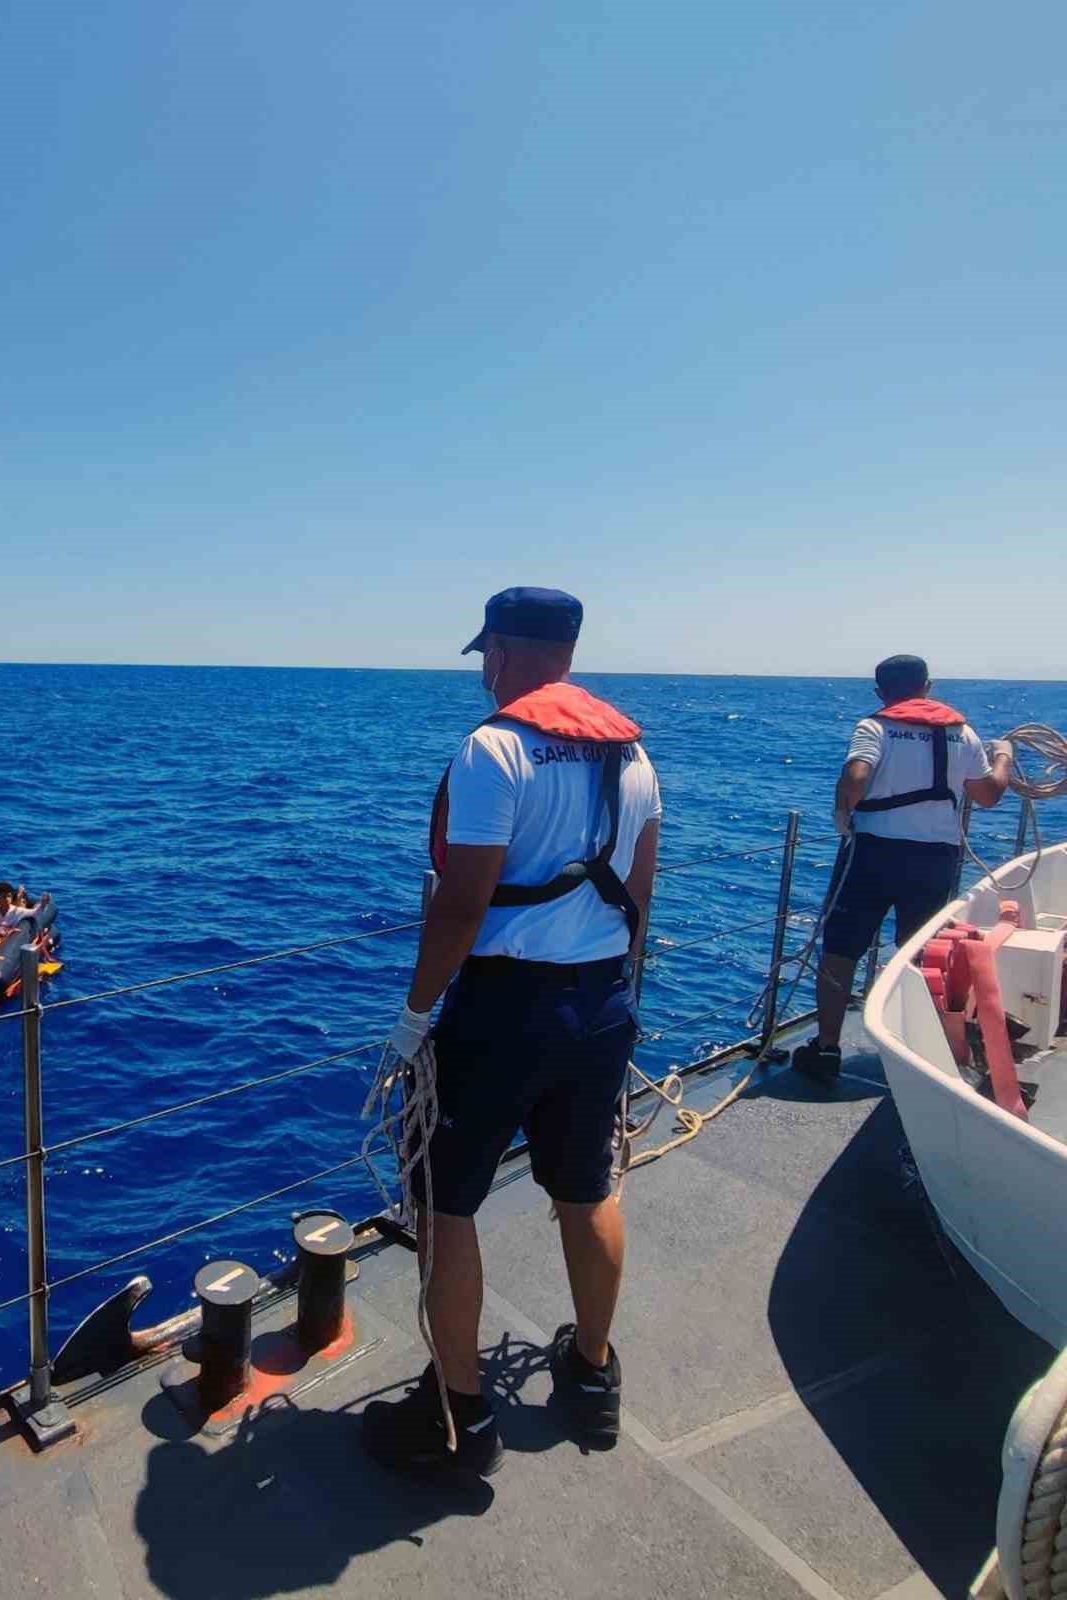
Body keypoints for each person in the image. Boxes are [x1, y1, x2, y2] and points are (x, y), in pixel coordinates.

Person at [364, 586, 661, 1481]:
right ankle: (591, 1376)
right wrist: (613, 1000)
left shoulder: (494, 749)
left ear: (500, 650)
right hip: (602, 1002)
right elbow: (641, 897)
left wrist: (414, 1019)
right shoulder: (634, 754)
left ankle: (459, 1420)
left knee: (445, 1204)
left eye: (484, 654)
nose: (483, 672)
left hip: (503, 1011)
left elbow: (460, 905)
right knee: (585, 1184)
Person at [792, 654, 1012, 1084]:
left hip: (872, 855)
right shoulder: (961, 733)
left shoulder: (875, 727)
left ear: (880, 693)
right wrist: (1002, 756)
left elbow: (856, 775)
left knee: (840, 950)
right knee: (921, 953)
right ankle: (922, 1049)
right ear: (927, 686)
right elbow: (988, 795)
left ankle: (826, 1048)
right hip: (935, 860)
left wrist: (843, 814)